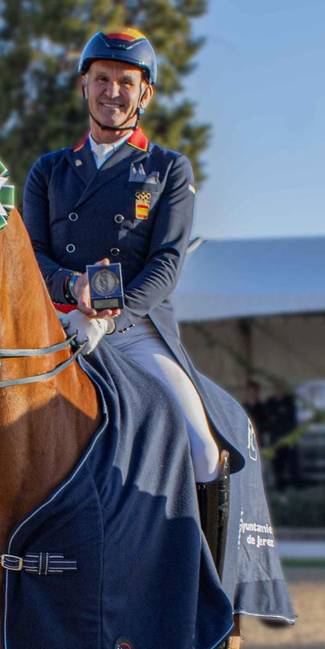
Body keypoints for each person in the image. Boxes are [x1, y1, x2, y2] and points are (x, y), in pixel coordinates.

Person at [21, 28, 227, 489]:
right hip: (57, 326)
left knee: (201, 451)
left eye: (125, 82)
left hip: (137, 332)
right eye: (101, 79)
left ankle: (198, 563)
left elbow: (167, 263)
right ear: (84, 85)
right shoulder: (49, 169)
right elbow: (31, 254)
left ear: (145, 93)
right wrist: (72, 289)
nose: (112, 92)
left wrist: (110, 321)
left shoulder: (169, 169)